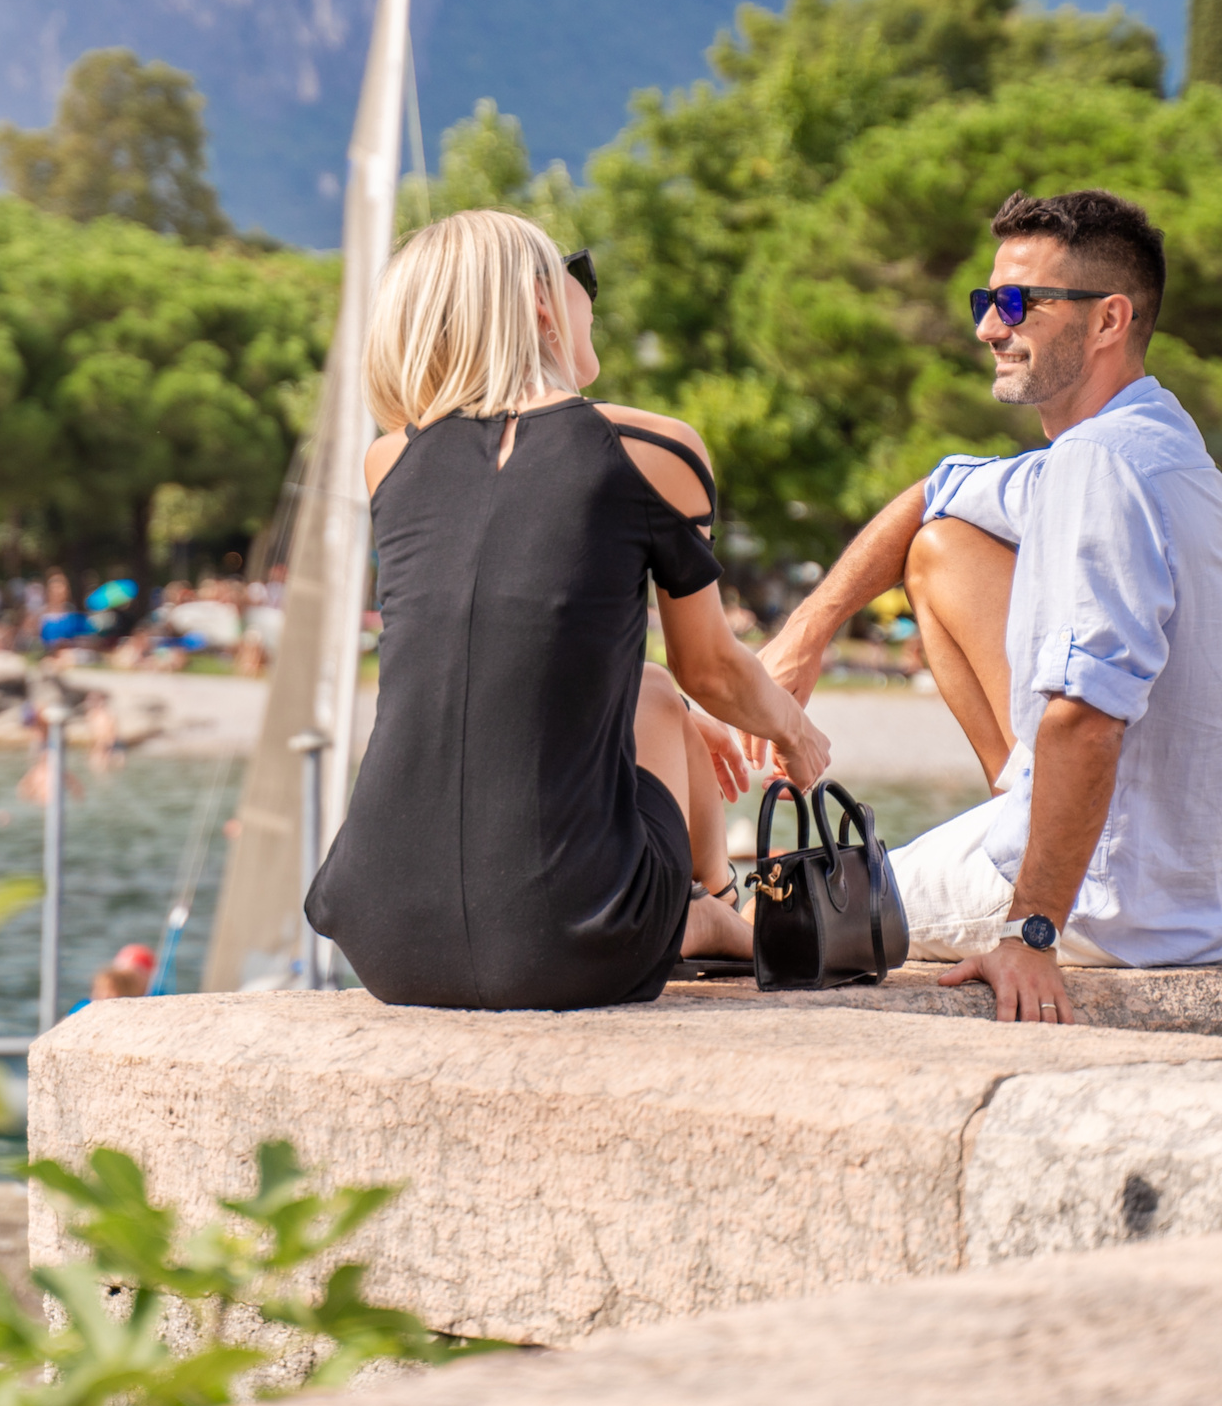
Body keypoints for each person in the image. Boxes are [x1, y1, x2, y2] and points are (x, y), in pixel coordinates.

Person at [752, 189, 1222, 1022]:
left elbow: (1088, 717)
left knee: (765, 915)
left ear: (1109, 320)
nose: (986, 329)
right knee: (941, 540)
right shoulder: (1148, 437)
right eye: (985, 301)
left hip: (1125, 902)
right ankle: (1023, 813)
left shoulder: (1099, 469)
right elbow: (936, 491)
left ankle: (1014, 876)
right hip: (1217, 886)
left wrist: (1031, 931)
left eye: (1015, 304)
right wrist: (806, 633)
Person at [306, 209, 830, 1011]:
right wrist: (794, 732)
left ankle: (710, 906)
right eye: (579, 275)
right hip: (569, 947)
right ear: (543, 305)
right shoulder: (655, 450)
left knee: (652, 691)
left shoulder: (392, 459)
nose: (595, 297)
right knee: (658, 692)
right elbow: (711, 668)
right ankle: (715, 917)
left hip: (386, 941)